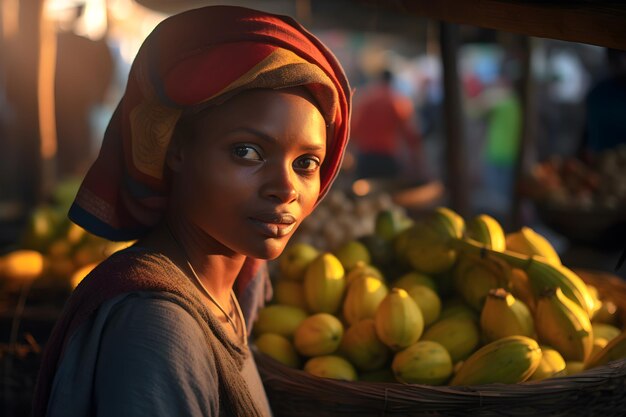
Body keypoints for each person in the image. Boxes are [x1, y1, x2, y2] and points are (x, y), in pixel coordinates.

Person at [32, 6, 351, 417]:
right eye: (247, 152)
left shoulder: (225, 295)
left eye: (306, 163)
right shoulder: (157, 325)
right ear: (175, 148)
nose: (286, 188)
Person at [350, 69, 424, 179]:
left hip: (365, 157)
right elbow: (410, 134)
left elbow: (353, 130)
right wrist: (417, 162)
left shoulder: (365, 99)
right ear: (391, 81)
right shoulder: (397, 100)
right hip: (387, 157)